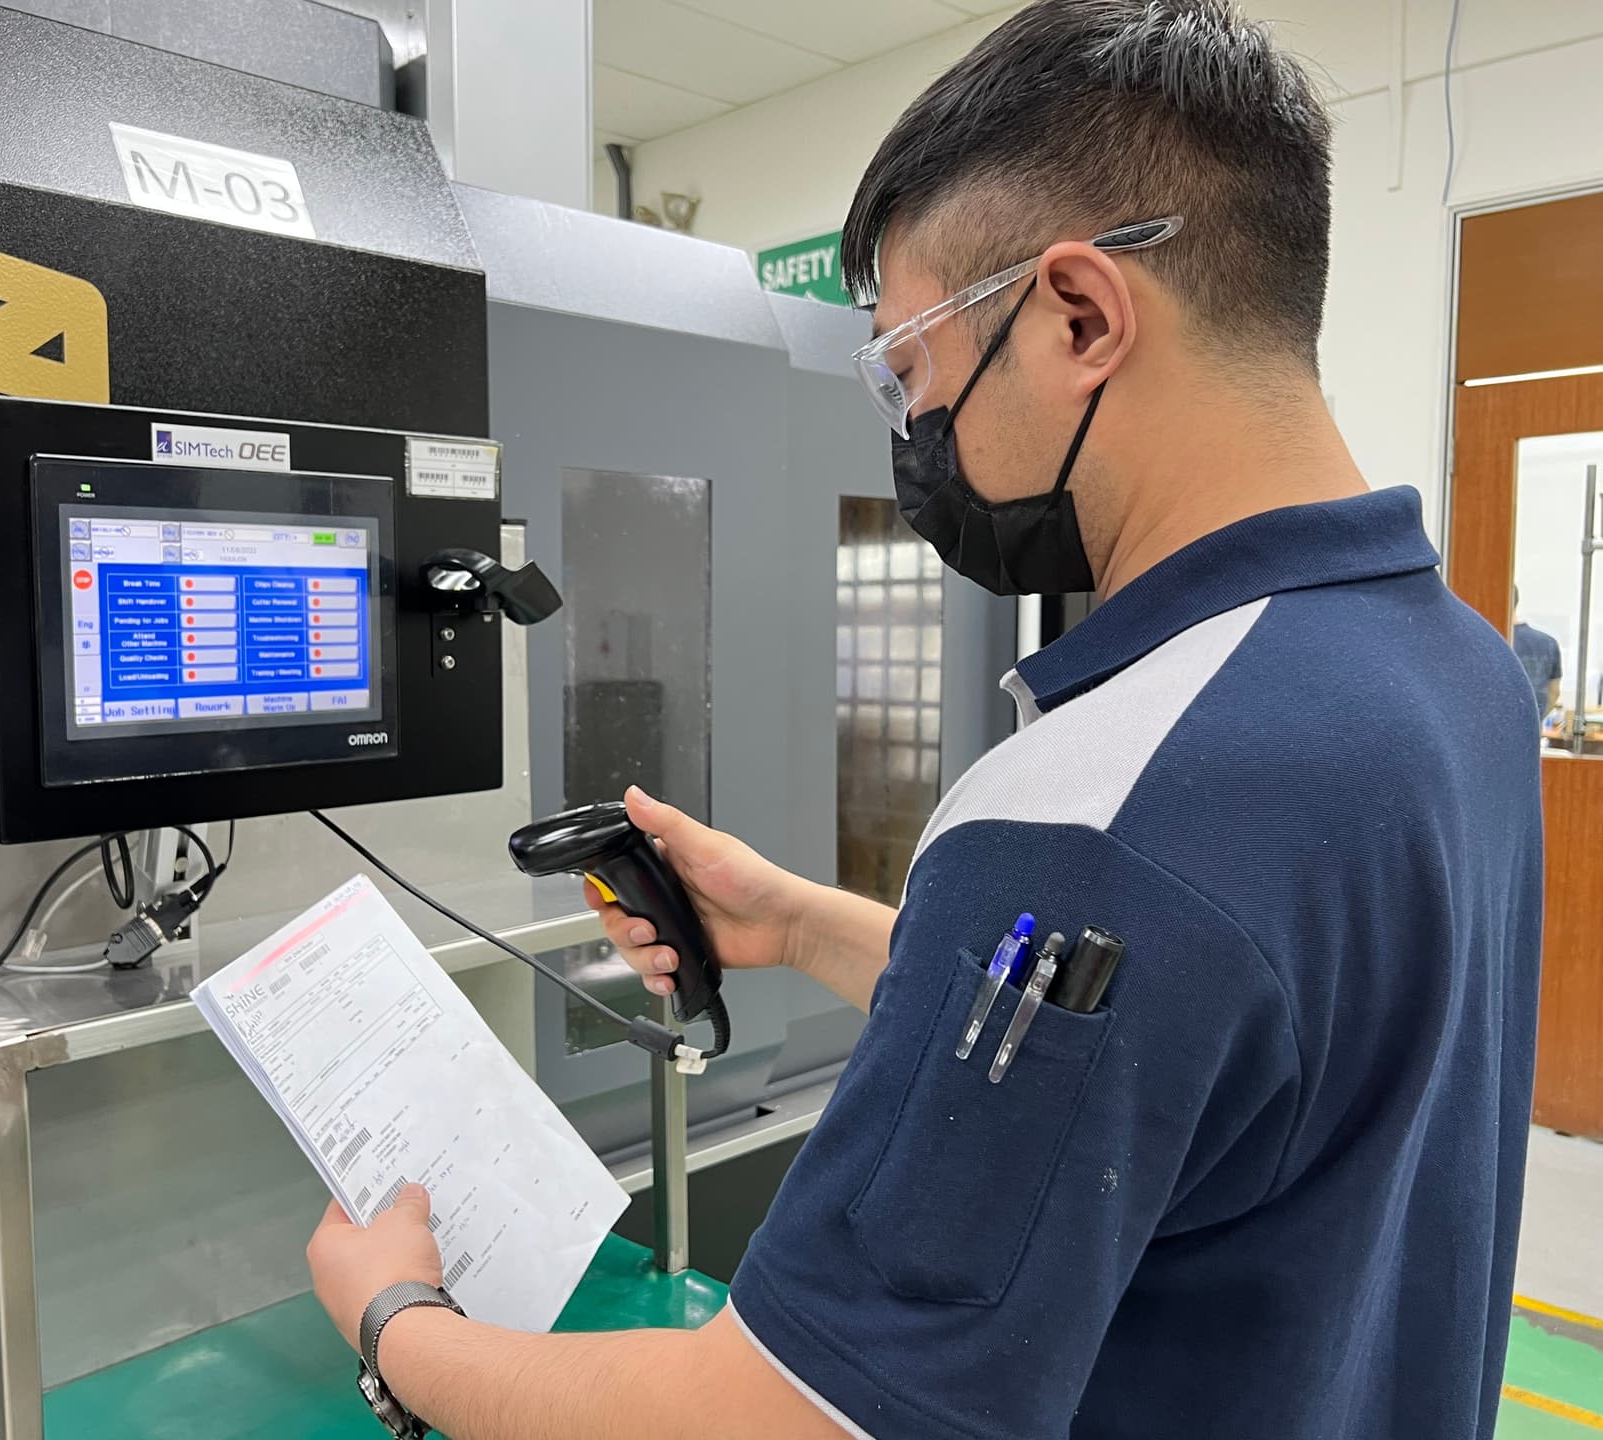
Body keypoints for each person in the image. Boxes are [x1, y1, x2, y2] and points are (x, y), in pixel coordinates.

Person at [306, 2, 1544, 1436]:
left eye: (911, 369)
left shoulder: (1097, 811)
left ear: (1080, 316)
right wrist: (798, 922)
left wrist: (400, 1320)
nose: (911, 432)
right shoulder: (1459, 676)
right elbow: (1190, 1040)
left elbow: (768, 1420)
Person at [1512, 586, 1562, 721]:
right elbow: (1554, 692)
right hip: (1531, 727)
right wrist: (1536, 721)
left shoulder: (1490, 642)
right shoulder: (1548, 643)